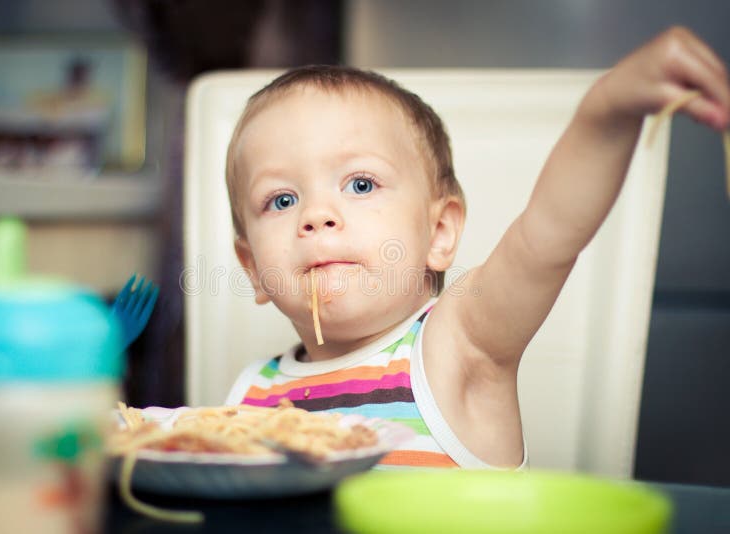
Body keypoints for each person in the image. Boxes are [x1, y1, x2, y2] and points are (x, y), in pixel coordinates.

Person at [222, 27, 730, 469]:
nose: (315, 215)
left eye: (360, 184)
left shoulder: (458, 348)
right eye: (282, 199)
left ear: (439, 233)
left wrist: (608, 111)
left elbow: (546, 236)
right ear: (253, 268)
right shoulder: (245, 404)